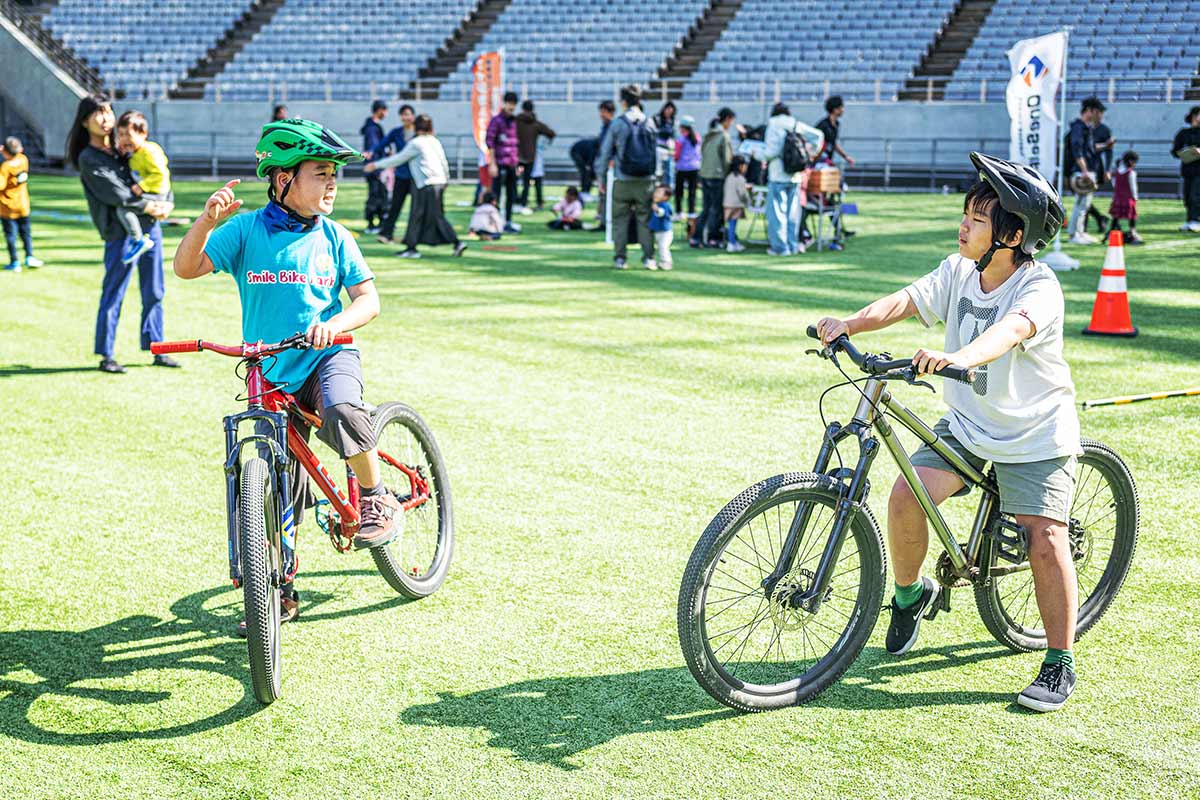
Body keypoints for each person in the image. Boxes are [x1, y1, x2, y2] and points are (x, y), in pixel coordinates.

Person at [815, 152, 1081, 713]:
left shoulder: (1040, 288)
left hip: (1033, 434)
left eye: (978, 220)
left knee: (1045, 538)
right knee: (906, 495)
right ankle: (910, 596)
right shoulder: (959, 270)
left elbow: (1009, 332)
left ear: (1011, 233)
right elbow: (907, 300)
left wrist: (956, 355)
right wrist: (850, 322)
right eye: (966, 214)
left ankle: (1059, 661)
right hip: (967, 423)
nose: (963, 226)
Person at [172, 118, 404, 632]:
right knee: (280, 483)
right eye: (320, 173)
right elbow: (186, 269)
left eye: (333, 175)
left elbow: (368, 300)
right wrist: (206, 222)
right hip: (269, 370)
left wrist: (333, 325)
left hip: (328, 356)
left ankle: (374, 497)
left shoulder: (335, 236)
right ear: (281, 180)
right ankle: (277, 589)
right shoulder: (246, 230)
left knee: (343, 410)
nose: (331, 185)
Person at [66, 94, 175, 374]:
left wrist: (166, 202)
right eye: (98, 114)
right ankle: (106, 354)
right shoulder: (89, 158)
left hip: (150, 226)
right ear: (84, 121)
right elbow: (116, 194)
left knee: (154, 290)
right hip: (120, 234)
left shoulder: (124, 147)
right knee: (114, 293)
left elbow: (158, 173)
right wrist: (151, 205)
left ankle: (157, 347)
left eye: (108, 112)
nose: (105, 119)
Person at [365, 114, 467, 259]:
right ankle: (413, 246)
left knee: (422, 215)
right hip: (439, 182)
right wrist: (446, 179)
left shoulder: (416, 143)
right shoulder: (434, 141)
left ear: (415, 127)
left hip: (426, 184)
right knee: (430, 215)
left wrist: (375, 165)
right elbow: (443, 161)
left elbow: (398, 158)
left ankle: (452, 243)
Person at [595, 84, 658, 270]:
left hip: (623, 178)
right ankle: (649, 258)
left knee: (620, 219)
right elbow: (656, 152)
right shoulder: (650, 122)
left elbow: (605, 152)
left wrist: (601, 178)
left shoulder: (618, 123)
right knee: (644, 219)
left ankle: (620, 258)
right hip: (646, 179)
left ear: (623, 102)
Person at [114, 110, 171, 265]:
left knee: (124, 209)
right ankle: (139, 240)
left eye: (128, 134)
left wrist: (142, 185)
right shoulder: (133, 153)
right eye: (121, 134)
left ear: (143, 134)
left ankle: (137, 240)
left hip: (157, 193)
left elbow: (160, 174)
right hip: (150, 192)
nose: (124, 139)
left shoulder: (149, 151)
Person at [762, 102, 804, 256]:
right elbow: (817, 136)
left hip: (777, 173)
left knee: (777, 214)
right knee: (792, 214)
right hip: (794, 174)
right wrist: (811, 154)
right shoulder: (794, 123)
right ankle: (792, 245)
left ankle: (780, 247)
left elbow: (771, 151)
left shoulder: (773, 124)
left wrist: (758, 154)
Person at [372, 104, 416, 243]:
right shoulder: (396, 132)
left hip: (417, 177)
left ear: (413, 116)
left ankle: (411, 238)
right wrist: (371, 151)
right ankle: (386, 234)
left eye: (408, 114)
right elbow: (381, 144)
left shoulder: (419, 133)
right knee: (395, 206)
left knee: (416, 210)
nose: (406, 117)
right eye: (403, 114)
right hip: (402, 175)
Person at [1065, 97, 1105, 244]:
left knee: (1084, 204)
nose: (1100, 116)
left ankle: (1080, 232)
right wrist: (1085, 170)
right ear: (1090, 111)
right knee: (1081, 204)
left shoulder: (1086, 128)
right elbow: (1077, 150)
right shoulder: (1079, 127)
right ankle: (1074, 234)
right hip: (1082, 171)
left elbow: (1089, 149)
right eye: (1098, 112)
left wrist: (1105, 145)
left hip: (1086, 169)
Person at [693, 108, 735, 248]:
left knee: (706, 208)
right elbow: (727, 159)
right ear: (728, 119)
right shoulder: (723, 136)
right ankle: (713, 238)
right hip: (718, 176)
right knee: (716, 209)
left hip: (705, 174)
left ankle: (697, 237)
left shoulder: (708, 134)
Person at [1, 136, 41, 272]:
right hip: (23, 206)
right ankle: (29, 256)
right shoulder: (23, 160)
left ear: (5, 152)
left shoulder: (5, 167)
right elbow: (15, 154)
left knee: (11, 236)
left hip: (8, 208)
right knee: (26, 233)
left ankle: (14, 262)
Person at [486, 92, 522, 232]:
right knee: (496, 194)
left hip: (512, 164)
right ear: (504, 103)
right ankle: (494, 221)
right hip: (499, 163)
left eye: (513, 104)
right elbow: (490, 142)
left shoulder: (514, 122)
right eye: (509, 103)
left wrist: (518, 164)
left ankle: (508, 221)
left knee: (511, 194)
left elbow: (516, 145)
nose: (511, 106)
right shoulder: (496, 121)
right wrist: (492, 163)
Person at [516, 99, 555, 211]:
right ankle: (524, 203)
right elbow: (551, 133)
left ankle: (516, 201)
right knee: (527, 182)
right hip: (531, 157)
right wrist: (543, 144)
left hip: (517, 156)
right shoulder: (536, 124)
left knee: (513, 179)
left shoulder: (516, 122)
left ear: (522, 109)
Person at [360, 99, 389, 233]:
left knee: (379, 195)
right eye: (385, 110)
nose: (386, 114)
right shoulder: (372, 128)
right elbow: (373, 149)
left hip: (376, 166)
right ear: (380, 110)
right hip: (375, 168)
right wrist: (377, 167)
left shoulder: (373, 127)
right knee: (376, 196)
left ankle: (376, 223)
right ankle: (372, 224)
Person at [1172, 105, 1200, 232]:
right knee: (1187, 196)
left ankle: (1196, 220)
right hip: (1187, 169)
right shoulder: (1183, 133)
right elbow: (1175, 151)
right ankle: (1189, 220)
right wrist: (1184, 152)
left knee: (1196, 195)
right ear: (1193, 116)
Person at [1086, 116, 1115, 234]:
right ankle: (1099, 218)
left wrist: (1108, 170)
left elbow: (1109, 152)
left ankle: (1084, 226)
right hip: (1081, 165)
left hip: (1096, 167)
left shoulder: (1104, 130)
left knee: (1086, 196)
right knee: (1084, 197)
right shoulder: (1084, 128)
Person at [1107, 151, 1141, 244]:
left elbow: (1115, 184)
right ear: (1130, 161)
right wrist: (1135, 197)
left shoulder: (1118, 171)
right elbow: (1133, 187)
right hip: (1128, 199)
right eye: (1134, 162)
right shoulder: (1131, 173)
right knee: (1132, 216)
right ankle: (1133, 231)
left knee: (1116, 217)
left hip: (1118, 198)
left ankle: (1110, 233)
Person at [815, 96, 854, 166]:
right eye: (841, 107)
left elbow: (833, 143)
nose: (843, 110)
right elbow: (815, 144)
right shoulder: (823, 125)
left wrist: (846, 157)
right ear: (835, 109)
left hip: (827, 160)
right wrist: (823, 159)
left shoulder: (836, 124)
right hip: (819, 161)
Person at [674, 115, 700, 221]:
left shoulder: (681, 139)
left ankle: (679, 212)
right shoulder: (697, 137)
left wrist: (675, 159)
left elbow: (677, 154)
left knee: (679, 192)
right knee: (692, 192)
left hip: (682, 168)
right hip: (695, 167)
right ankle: (691, 212)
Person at [723, 155, 750, 253]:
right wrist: (748, 201)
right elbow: (742, 193)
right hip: (736, 205)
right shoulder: (740, 179)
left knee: (731, 224)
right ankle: (732, 242)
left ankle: (732, 242)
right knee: (733, 225)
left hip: (727, 204)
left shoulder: (729, 177)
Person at [648, 184, 673, 271]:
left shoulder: (664, 205)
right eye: (656, 192)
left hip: (665, 232)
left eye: (659, 192)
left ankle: (667, 262)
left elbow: (662, 213)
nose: (655, 194)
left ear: (666, 197)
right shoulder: (657, 204)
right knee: (659, 246)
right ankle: (661, 262)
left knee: (663, 246)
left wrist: (657, 209)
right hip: (657, 231)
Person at [654, 100, 677, 188]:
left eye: (671, 111)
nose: (669, 112)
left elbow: (673, 136)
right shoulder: (658, 119)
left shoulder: (672, 121)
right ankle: (657, 187)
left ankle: (668, 189)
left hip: (668, 149)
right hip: (658, 148)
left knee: (669, 171)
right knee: (658, 171)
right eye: (667, 110)